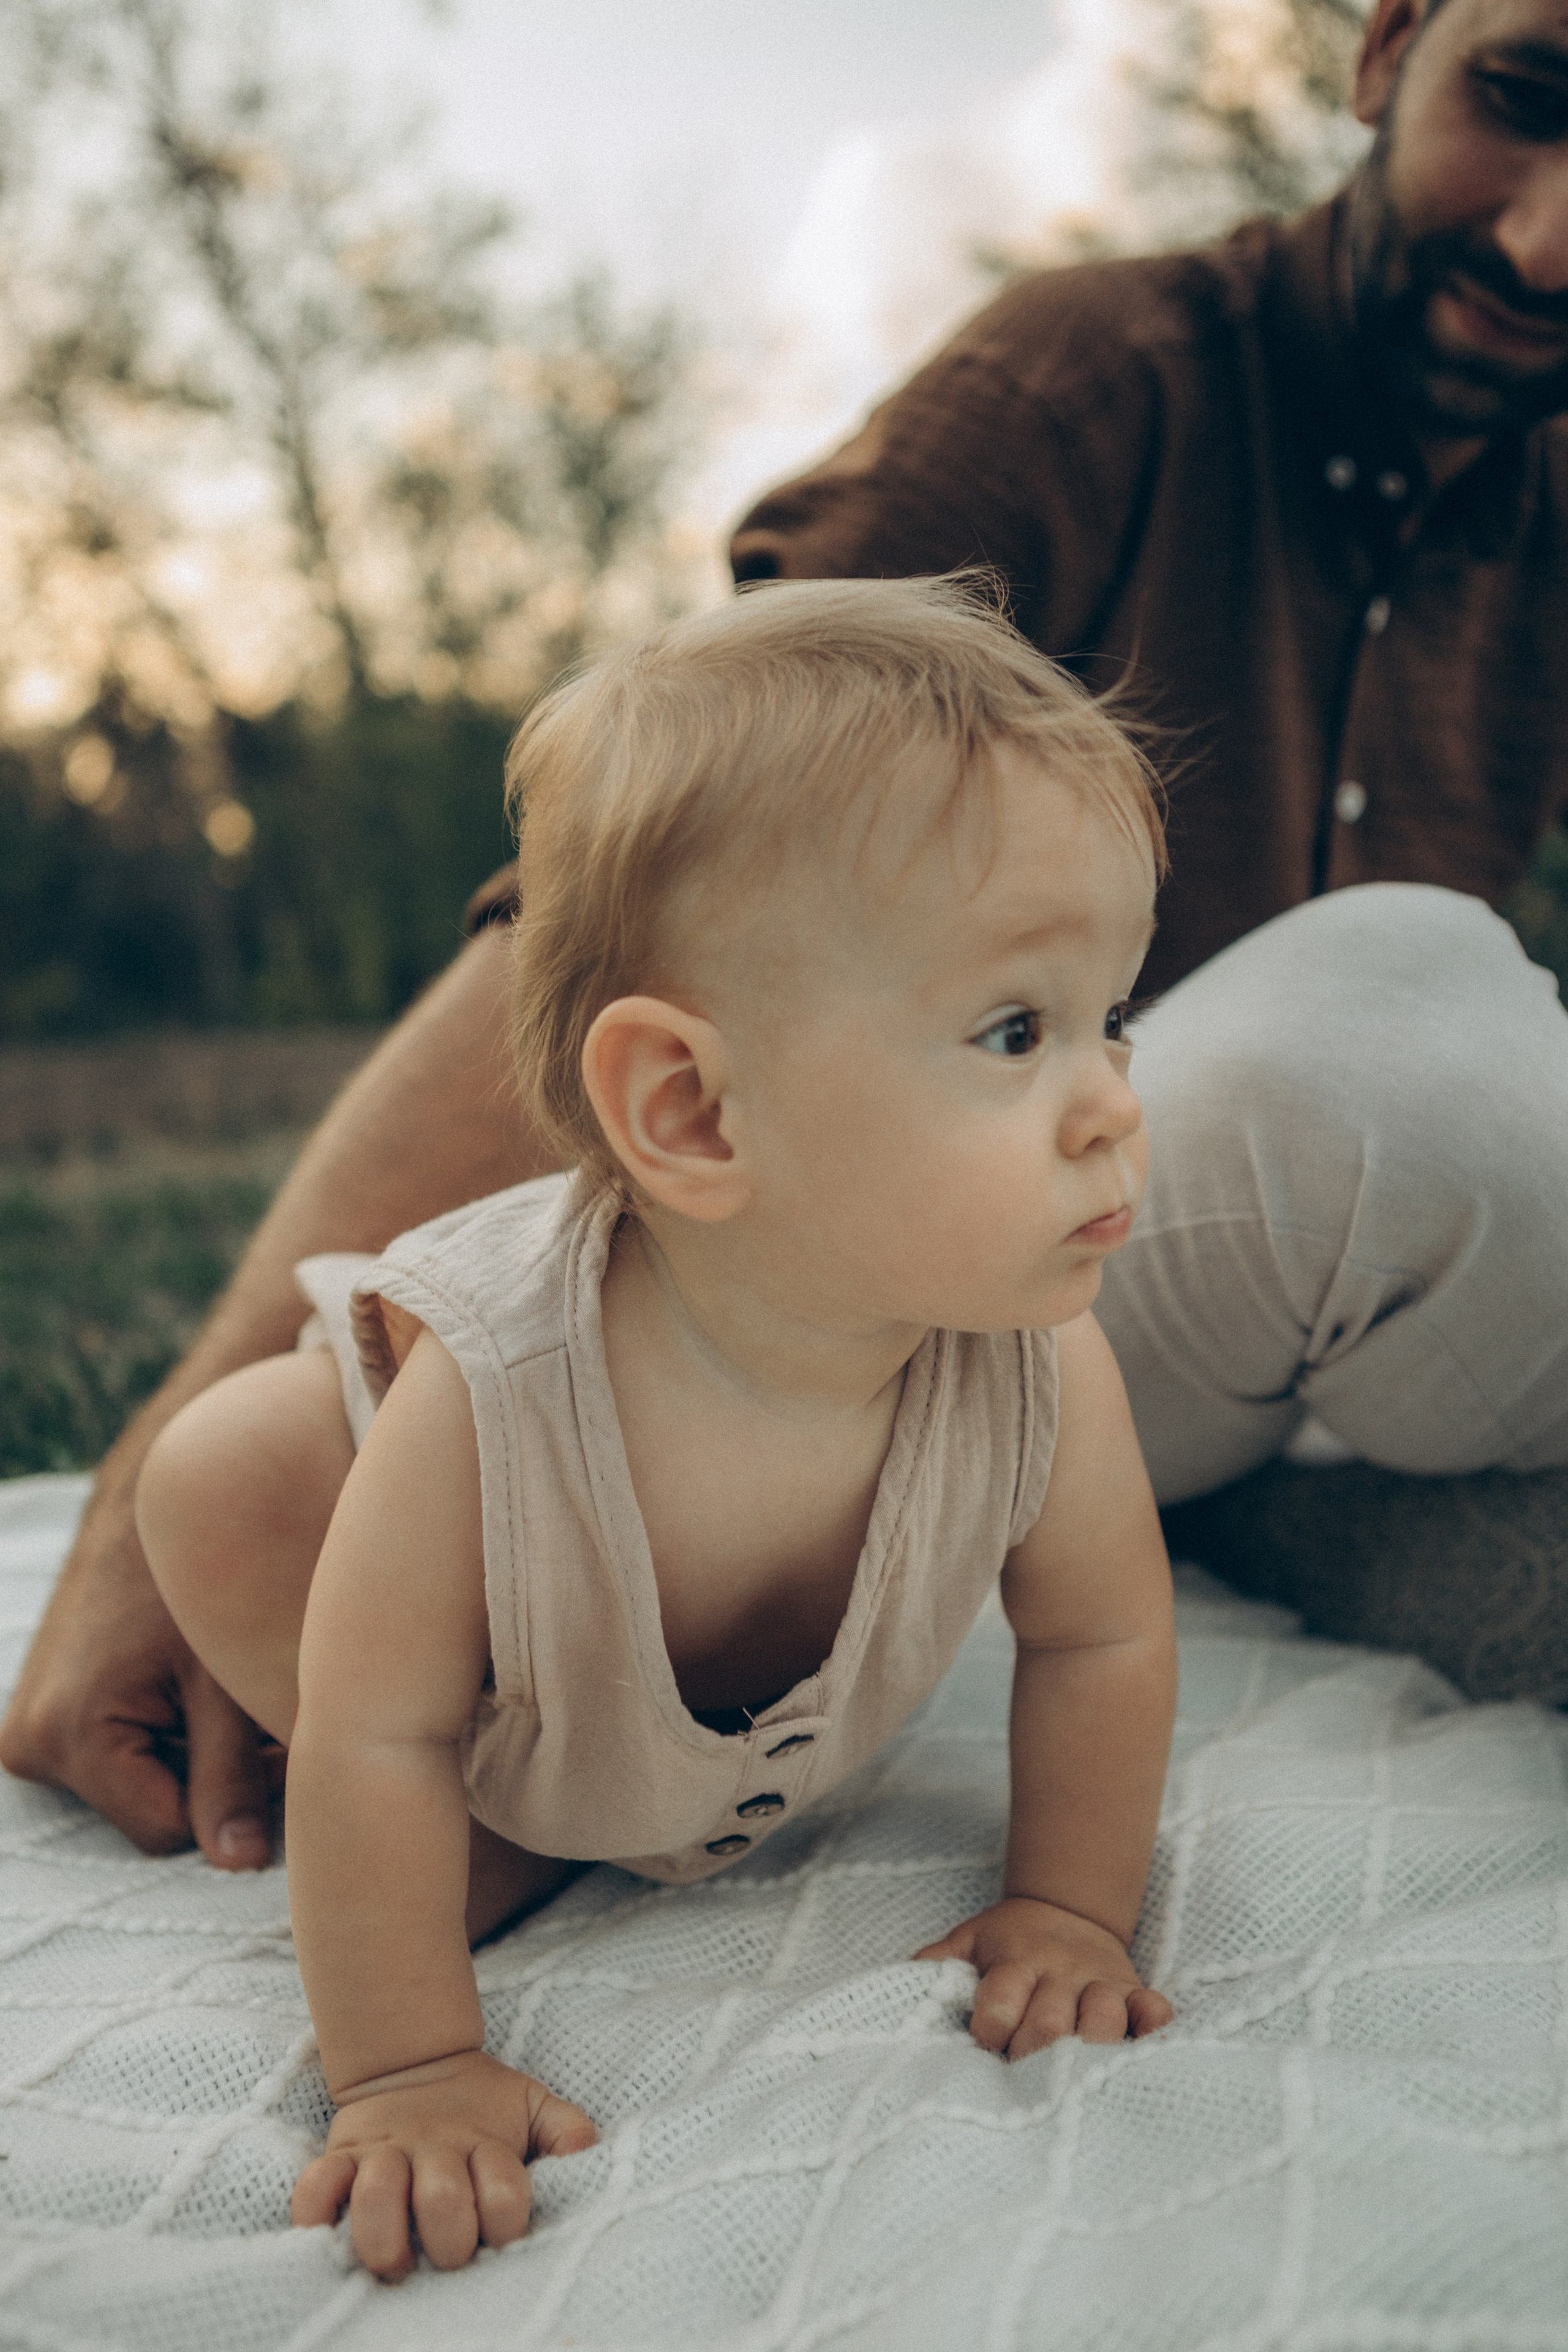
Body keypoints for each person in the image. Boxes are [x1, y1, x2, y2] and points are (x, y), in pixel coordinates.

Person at [3, 0, 1566, 1874]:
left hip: (1122, 1303)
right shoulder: (1098, 381)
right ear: (1388, 46)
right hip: (905, 1271)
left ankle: (1267, 1517)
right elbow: (655, 887)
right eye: (1527, 96)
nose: (1547, 235)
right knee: (1403, 1022)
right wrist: (143, 1507)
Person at [132, 579, 1178, 2282]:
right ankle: (505, 1836)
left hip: (644, 1715)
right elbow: (377, 1729)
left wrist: (1070, 1904)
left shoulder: (1036, 1363)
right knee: (225, 1474)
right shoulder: (496, 1390)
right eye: (1017, 1031)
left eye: (1112, 1016)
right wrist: (405, 2067)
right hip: (454, 1648)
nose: (1114, 1102)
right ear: (693, 1110)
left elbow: (1104, 1634)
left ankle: (583, 1814)